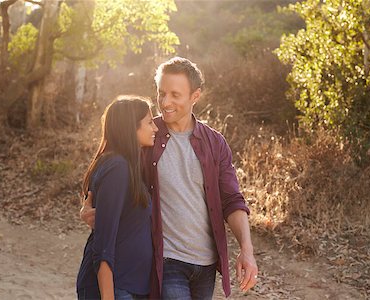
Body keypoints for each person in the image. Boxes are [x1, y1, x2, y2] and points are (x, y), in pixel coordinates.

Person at [81, 57, 258, 299]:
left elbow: (232, 200)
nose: (165, 103)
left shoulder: (215, 144)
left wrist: (246, 250)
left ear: (195, 96)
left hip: (206, 264)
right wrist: (92, 209)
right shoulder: (145, 136)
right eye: (161, 93)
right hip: (167, 261)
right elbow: (110, 173)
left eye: (175, 95)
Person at [76, 95, 158, 300]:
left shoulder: (127, 166)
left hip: (129, 286)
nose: (155, 128)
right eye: (149, 123)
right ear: (131, 128)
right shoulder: (117, 168)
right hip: (115, 287)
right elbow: (104, 244)